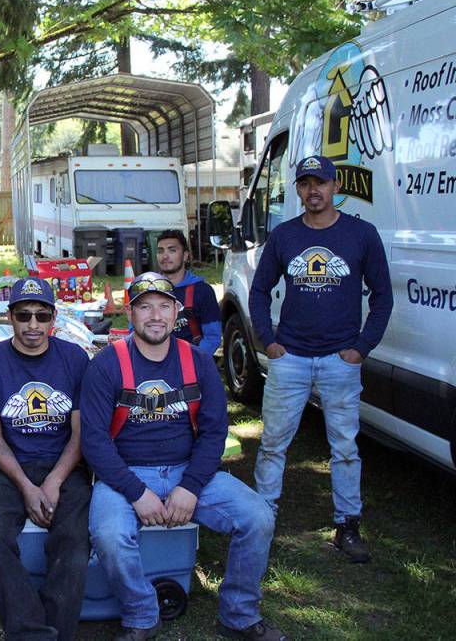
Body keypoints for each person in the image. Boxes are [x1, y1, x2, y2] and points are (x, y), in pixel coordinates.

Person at [81, 271, 284, 641]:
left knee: (257, 517)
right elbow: (94, 441)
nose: (155, 315)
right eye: (144, 307)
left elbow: (213, 432)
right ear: (131, 314)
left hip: (187, 470)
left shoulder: (198, 361)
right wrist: (135, 492)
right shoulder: (106, 364)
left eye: (163, 306)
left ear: (176, 313)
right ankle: (142, 614)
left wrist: (190, 486)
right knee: (109, 534)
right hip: (126, 472)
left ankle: (239, 614)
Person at [249, 155, 392, 563]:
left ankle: (347, 525)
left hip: (339, 360)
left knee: (345, 447)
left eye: (321, 183)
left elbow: (382, 297)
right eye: (305, 183)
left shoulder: (361, 235)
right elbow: (259, 291)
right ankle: (263, 521)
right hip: (290, 357)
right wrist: (269, 341)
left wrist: (361, 348)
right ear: (297, 189)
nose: (314, 191)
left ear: (335, 188)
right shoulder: (284, 236)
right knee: (274, 444)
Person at [0, 277, 91, 641]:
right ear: (10, 317)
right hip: (12, 469)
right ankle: (29, 630)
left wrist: (52, 482)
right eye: (24, 315)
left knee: (73, 540)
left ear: (53, 317)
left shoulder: (75, 359)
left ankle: (56, 628)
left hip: (65, 468)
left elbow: (81, 433)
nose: (33, 325)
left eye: (41, 315)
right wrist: (26, 486)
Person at [155, 228, 221, 355]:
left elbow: (213, 337)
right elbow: (135, 333)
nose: (165, 256)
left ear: (185, 256)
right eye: (160, 251)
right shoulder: (147, 289)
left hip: (191, 363)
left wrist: (192, 362)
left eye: (172, 250)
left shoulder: (202, 291)